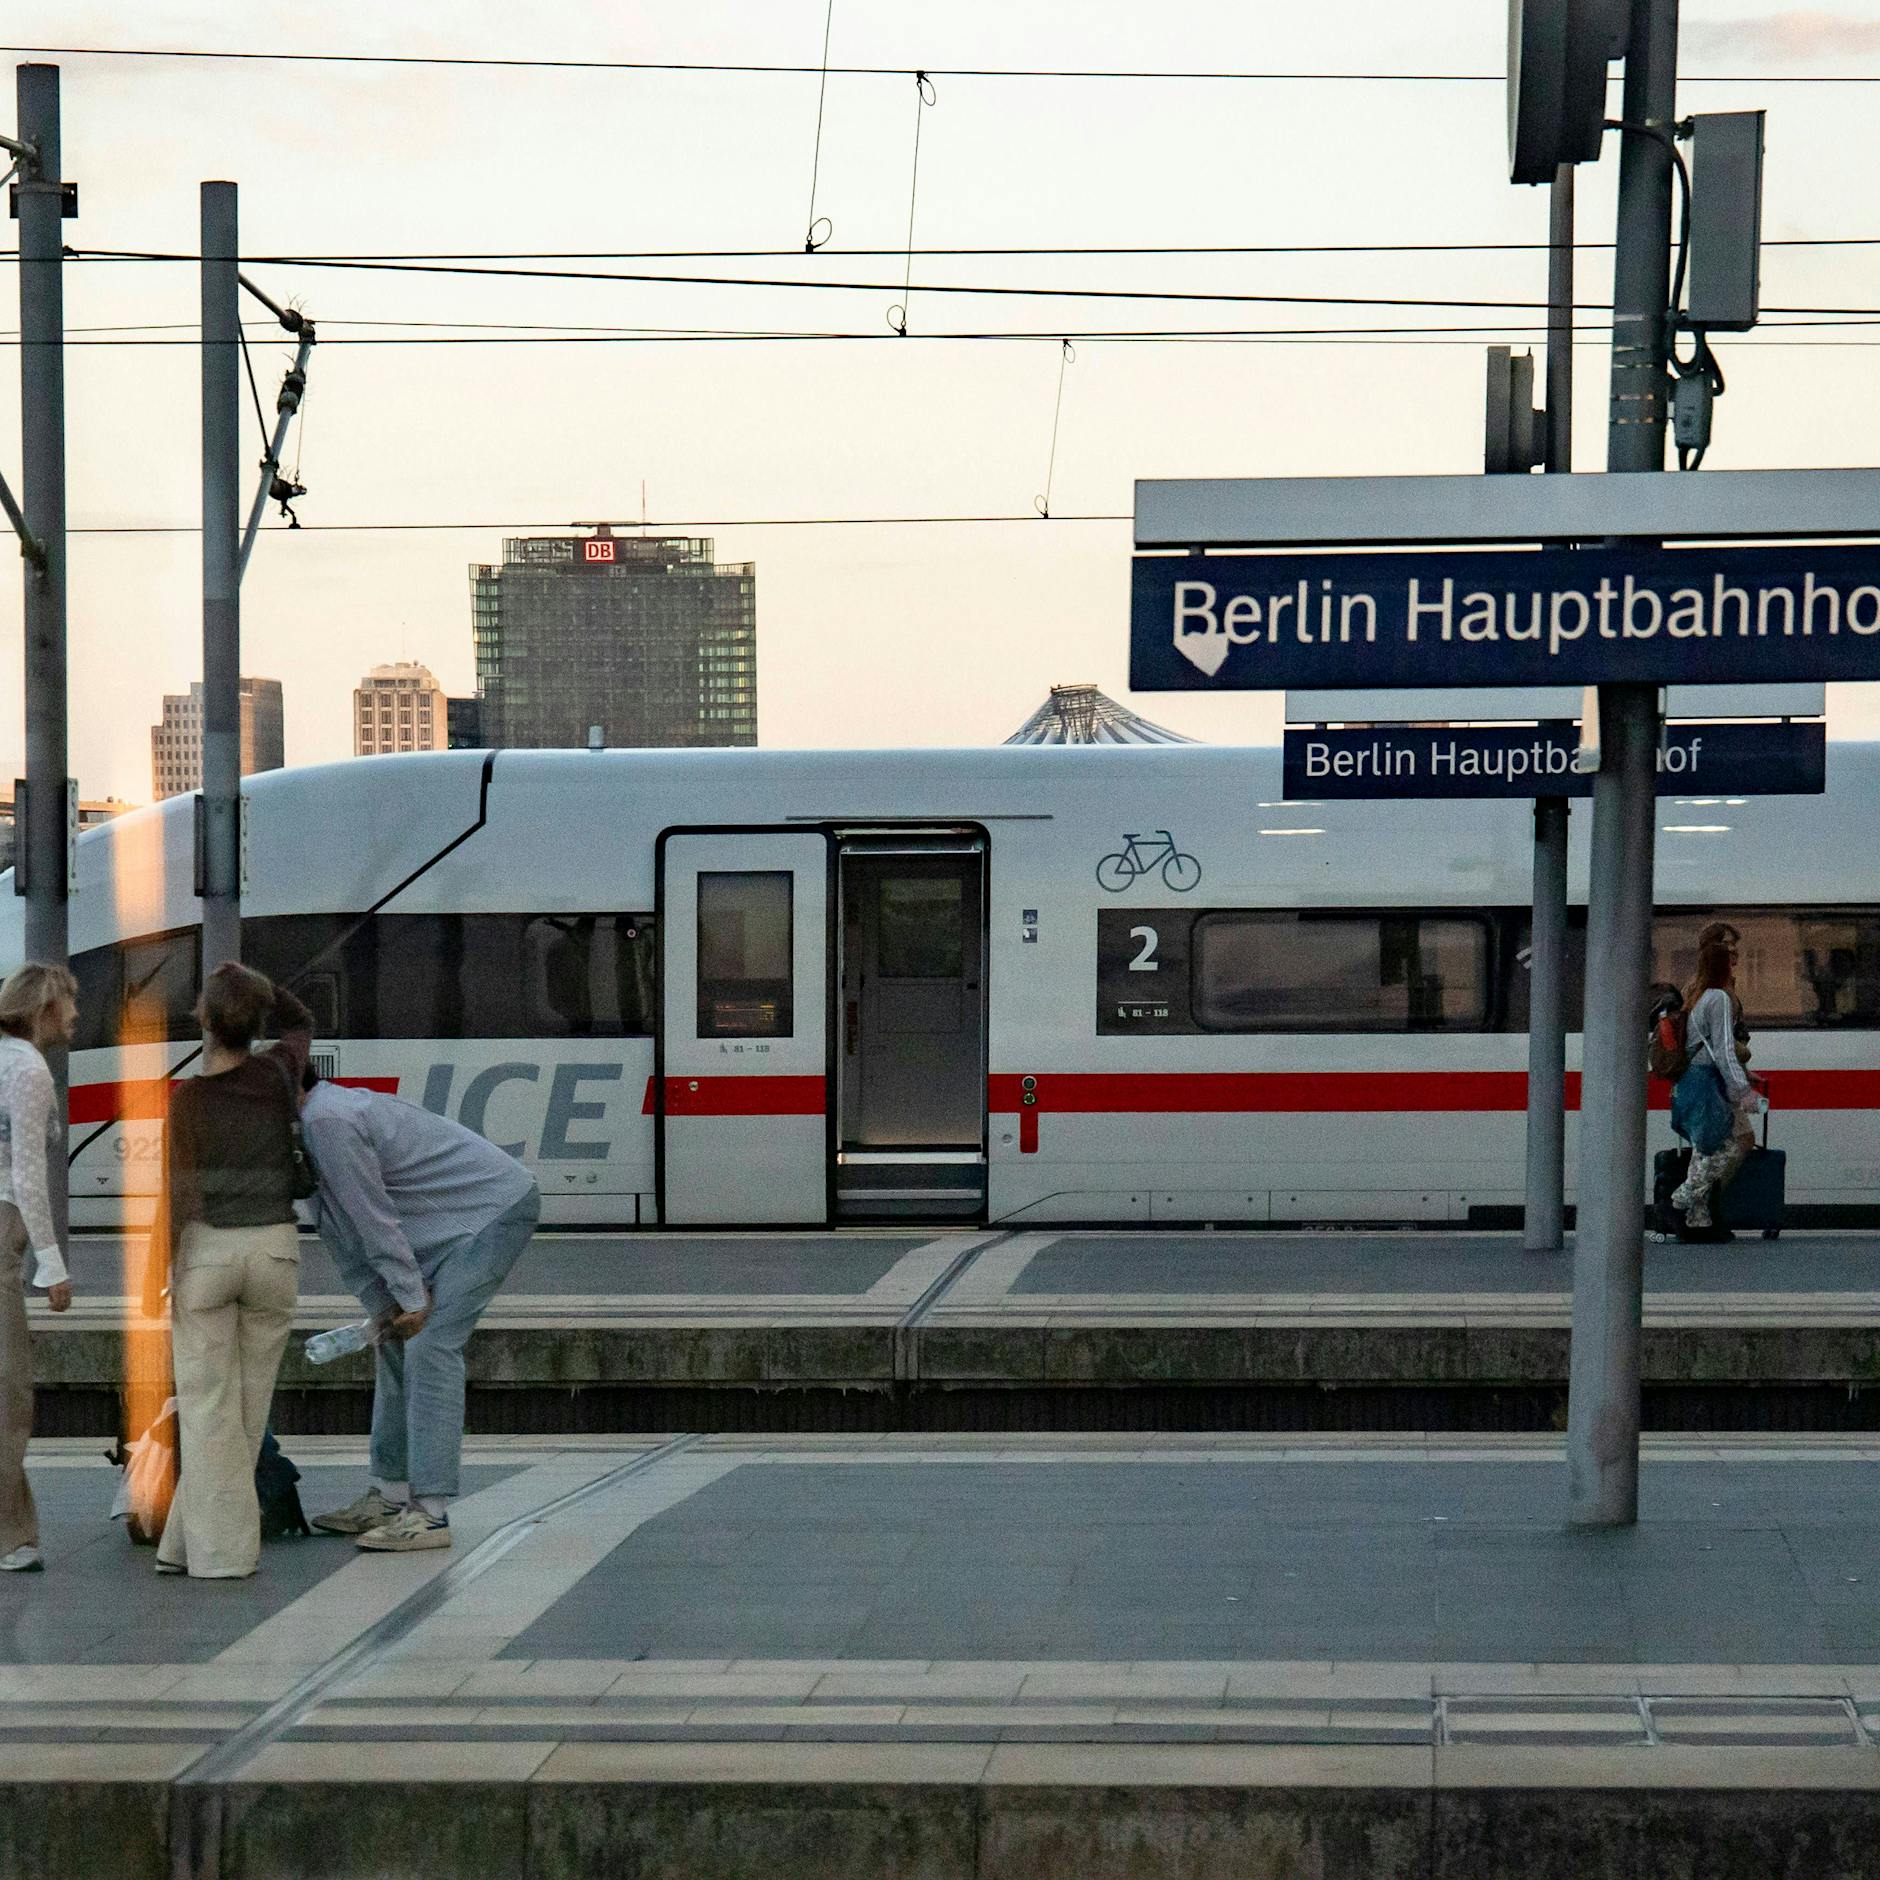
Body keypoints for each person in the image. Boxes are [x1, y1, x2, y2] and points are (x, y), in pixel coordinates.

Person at [299, 1071, 539, 1552]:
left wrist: (410, 1298)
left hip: (491, 1211)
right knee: (396, 1337)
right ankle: (391, 1497)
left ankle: (430, 1513)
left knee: (431, 1345)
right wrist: (384, 1306)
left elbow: (371, 1218)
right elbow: (336, 1228)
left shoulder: (327, 1120)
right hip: (440, 1229)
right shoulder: (299, 1132)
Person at [146, 965, 314, 1578]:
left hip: (209, 1255)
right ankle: (180, 1545)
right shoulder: (276, 1073)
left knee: (207, 1406)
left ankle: (222, 1557)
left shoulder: (188, 1100)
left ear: (205, 1020)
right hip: (274, 1253)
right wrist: (255, 982)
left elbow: (175, 1196)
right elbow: (300, 1021)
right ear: (254, 1020)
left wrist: (155, 1274)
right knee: (246, 1410)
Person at [0, 964, 77, 1573]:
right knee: (8, 1389)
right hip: (4, 1224)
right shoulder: (27, 1068)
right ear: (45, 1008)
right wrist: (52, 1265)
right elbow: (28, 1175)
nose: (76, 1015)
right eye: (70, 1003)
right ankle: (9, 1534)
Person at [1669, 938, 1761, 1238]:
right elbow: (1723, 1050)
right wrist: (1742, 1091)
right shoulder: (1719, 998)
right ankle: (1680, 1198)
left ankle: (1698, 1221)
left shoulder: (1697, 996)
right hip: (1707, 1081)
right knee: (1729, 1146)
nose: (1736, 962)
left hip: (1691, 1080)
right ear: (1723, 966)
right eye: (1731, 958)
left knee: (1704, 1149)